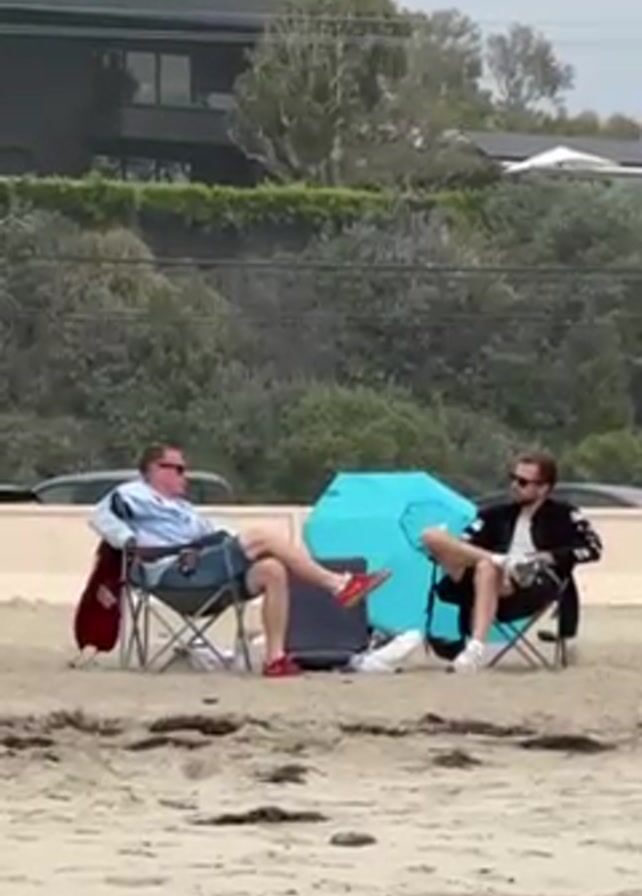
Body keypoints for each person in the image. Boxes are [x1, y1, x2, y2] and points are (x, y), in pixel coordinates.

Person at [89, 442, 390, 677]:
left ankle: (275, 659)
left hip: (203, 576)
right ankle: (339, 585)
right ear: (156, 469)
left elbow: (216, 533)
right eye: (178, 469)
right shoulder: (133, 494)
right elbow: (100, 516)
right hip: (173, 575)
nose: (184, 476)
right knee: (261, 536)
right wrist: (128, 541)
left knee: (272, 570)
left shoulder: (184, 509)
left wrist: (238, 543)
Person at [421, 451, 602, 673]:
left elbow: (593, 548)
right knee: (431, 536)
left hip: (532, 585)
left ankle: (475, 647)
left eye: (523, 482)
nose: (514, 486)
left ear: (543, 488)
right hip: (479, 581)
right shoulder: (494, 515)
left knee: (486, 567)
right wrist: (453, 549)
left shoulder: (564, 515)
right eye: (513, 478)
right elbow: (464, 543)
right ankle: (504, 561)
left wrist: (547, 556)